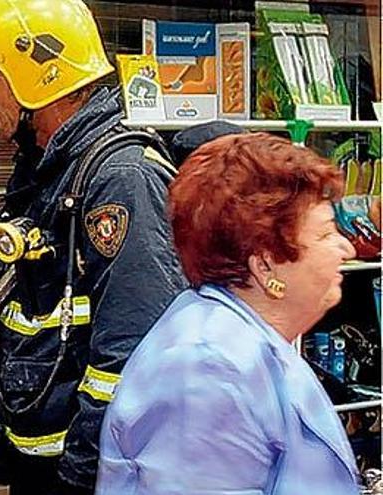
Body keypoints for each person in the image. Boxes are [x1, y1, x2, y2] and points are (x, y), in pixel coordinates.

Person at [0, 0, 186, 492]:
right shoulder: (46, 171)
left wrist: (82, 472)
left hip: (83, 477)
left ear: (39, 79)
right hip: (41, 467)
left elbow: (132, 357)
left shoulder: (120, 179)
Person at [95, 132, 360, 494]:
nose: (345, 248)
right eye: (327, 234)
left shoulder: (237, 342)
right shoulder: (208, 371)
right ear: (265, 266)